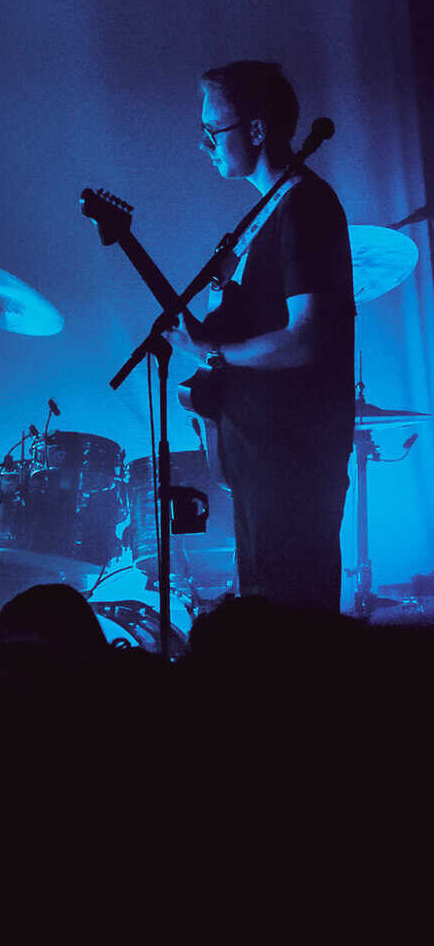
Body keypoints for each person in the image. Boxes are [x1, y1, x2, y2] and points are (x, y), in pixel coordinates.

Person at [164, 61, 353, 612]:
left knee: (291, 622)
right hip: (262, 455)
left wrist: (211, 351)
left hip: (293, 459)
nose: (204, 144)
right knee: (267, 612)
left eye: (213, 129)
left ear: (256, 129)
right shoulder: (264, 217)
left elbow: (306, 339)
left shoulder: (305, 207)